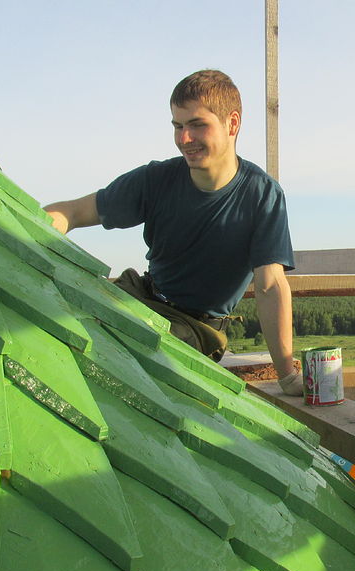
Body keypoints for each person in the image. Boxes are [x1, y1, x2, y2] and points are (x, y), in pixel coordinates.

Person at [44, 70, 303, 396]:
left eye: (197, 125)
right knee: (61, 311)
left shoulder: (261, 195)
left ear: (232, 124)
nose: (184, 139)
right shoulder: (157, 179)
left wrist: (287, 376)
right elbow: (73, 212)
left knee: (133, 360)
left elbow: (270, 285)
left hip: (196, 329)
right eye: (178, 126)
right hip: (140, 297)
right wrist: (21, 226)